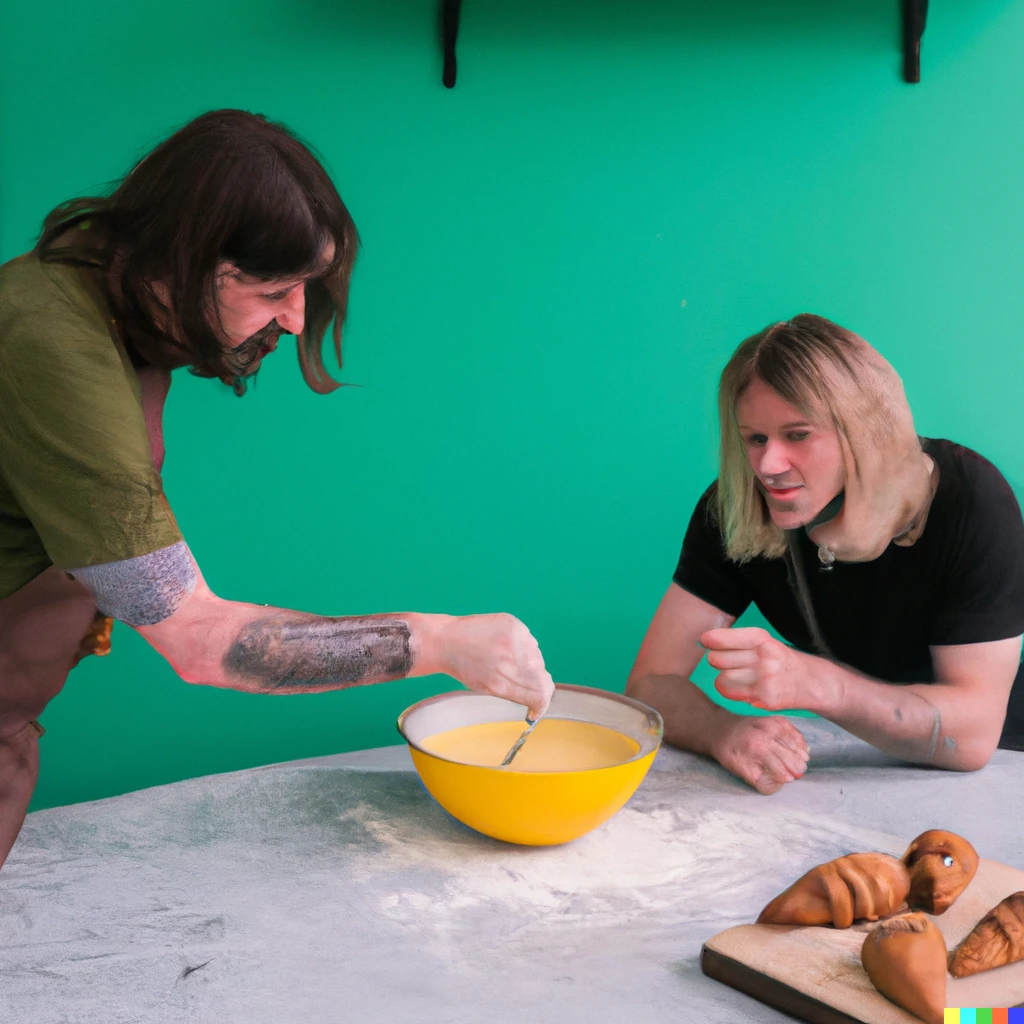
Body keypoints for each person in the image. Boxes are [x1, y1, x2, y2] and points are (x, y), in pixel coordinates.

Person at [0, 109, 554, 870]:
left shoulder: (116, 288)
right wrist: (439, 641)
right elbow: (200, 642)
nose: (296, 319)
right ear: (181, 261)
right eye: (273, 289)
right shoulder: (50, 347)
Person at [626, 314, 1024, 795]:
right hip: (850, 759)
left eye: (798, 434)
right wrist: (721, 732)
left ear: (866, 432)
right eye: (755, 438)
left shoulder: (972, 501)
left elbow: (975, 736)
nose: (768, 466)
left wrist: (817, 684)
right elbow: (650, 685)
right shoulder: (737, 506)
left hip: (1000, 765)